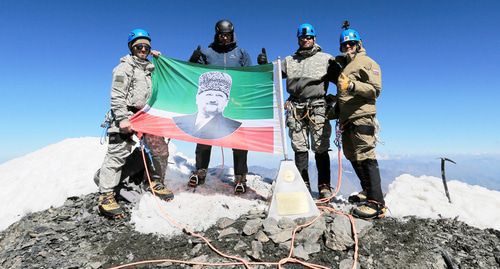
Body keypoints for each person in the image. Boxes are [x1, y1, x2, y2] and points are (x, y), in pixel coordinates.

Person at [96, 29, 174, 219]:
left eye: (147, 47)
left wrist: (160, 61)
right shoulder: (124, 68)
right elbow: (117, 95)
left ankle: (155, 181)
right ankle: (106, 196)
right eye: (139, 46)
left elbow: (167, 79)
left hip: (146, 115)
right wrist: (122, 118)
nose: (143, 49)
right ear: (132, 47)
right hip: (127, 114)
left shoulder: (150, 68)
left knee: (160, 150)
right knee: (117, 154)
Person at [187, 19, 267, 193]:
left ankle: (240, 178)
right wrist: (192, 61)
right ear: (217, 35)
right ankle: (199, 173)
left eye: (227, 35)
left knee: (239, 141)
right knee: (204, 138)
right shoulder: (207, 52)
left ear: (232, 34)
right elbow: (194, 75)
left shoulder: (241, 53)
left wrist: (263, 67)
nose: (224, 38)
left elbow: (250, 78)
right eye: (221, 35)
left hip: (236, 103)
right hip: (211, 105)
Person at [334, 21, 386, 219]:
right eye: (345, 44)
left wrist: (353, 86)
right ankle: (367, 191)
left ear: (358, 44)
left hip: (362, 116)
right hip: (347, 120)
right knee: (352, 155)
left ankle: (376, 204)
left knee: (365, 155)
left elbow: (375, 90)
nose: (348, 46)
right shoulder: (345, 66)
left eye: (351, 43)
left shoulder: (368, 63)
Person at [282, 23, 334, 199]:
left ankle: (324, 186)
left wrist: (336, 102)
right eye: (303, 37)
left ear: (314, 38)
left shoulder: (326, 59)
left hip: (318, 107)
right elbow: (272, 75)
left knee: (320, 147)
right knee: (299, 146)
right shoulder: (289, 61)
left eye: (309, 37)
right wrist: (264, 65)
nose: (306, 39)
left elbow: (342, 80)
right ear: (298, 39)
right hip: (295, 107)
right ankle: (303, 185)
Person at [173, 71, 242, 139]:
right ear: (197, 97)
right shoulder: (178, 122)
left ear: (226, 101)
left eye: (219, 95)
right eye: (209, 94)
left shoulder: (235, 127)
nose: (213, 99)